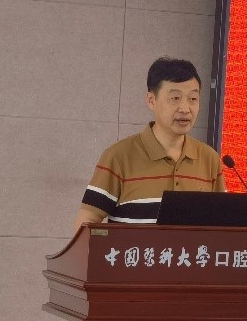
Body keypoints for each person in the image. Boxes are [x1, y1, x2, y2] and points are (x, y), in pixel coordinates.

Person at [73, 57, 224, 231]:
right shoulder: (119, 156)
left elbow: (223, 225)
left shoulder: (209, 159)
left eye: (193, 99)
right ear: (151, 100)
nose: (185, 108)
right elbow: (86, 222)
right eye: (175, 98)